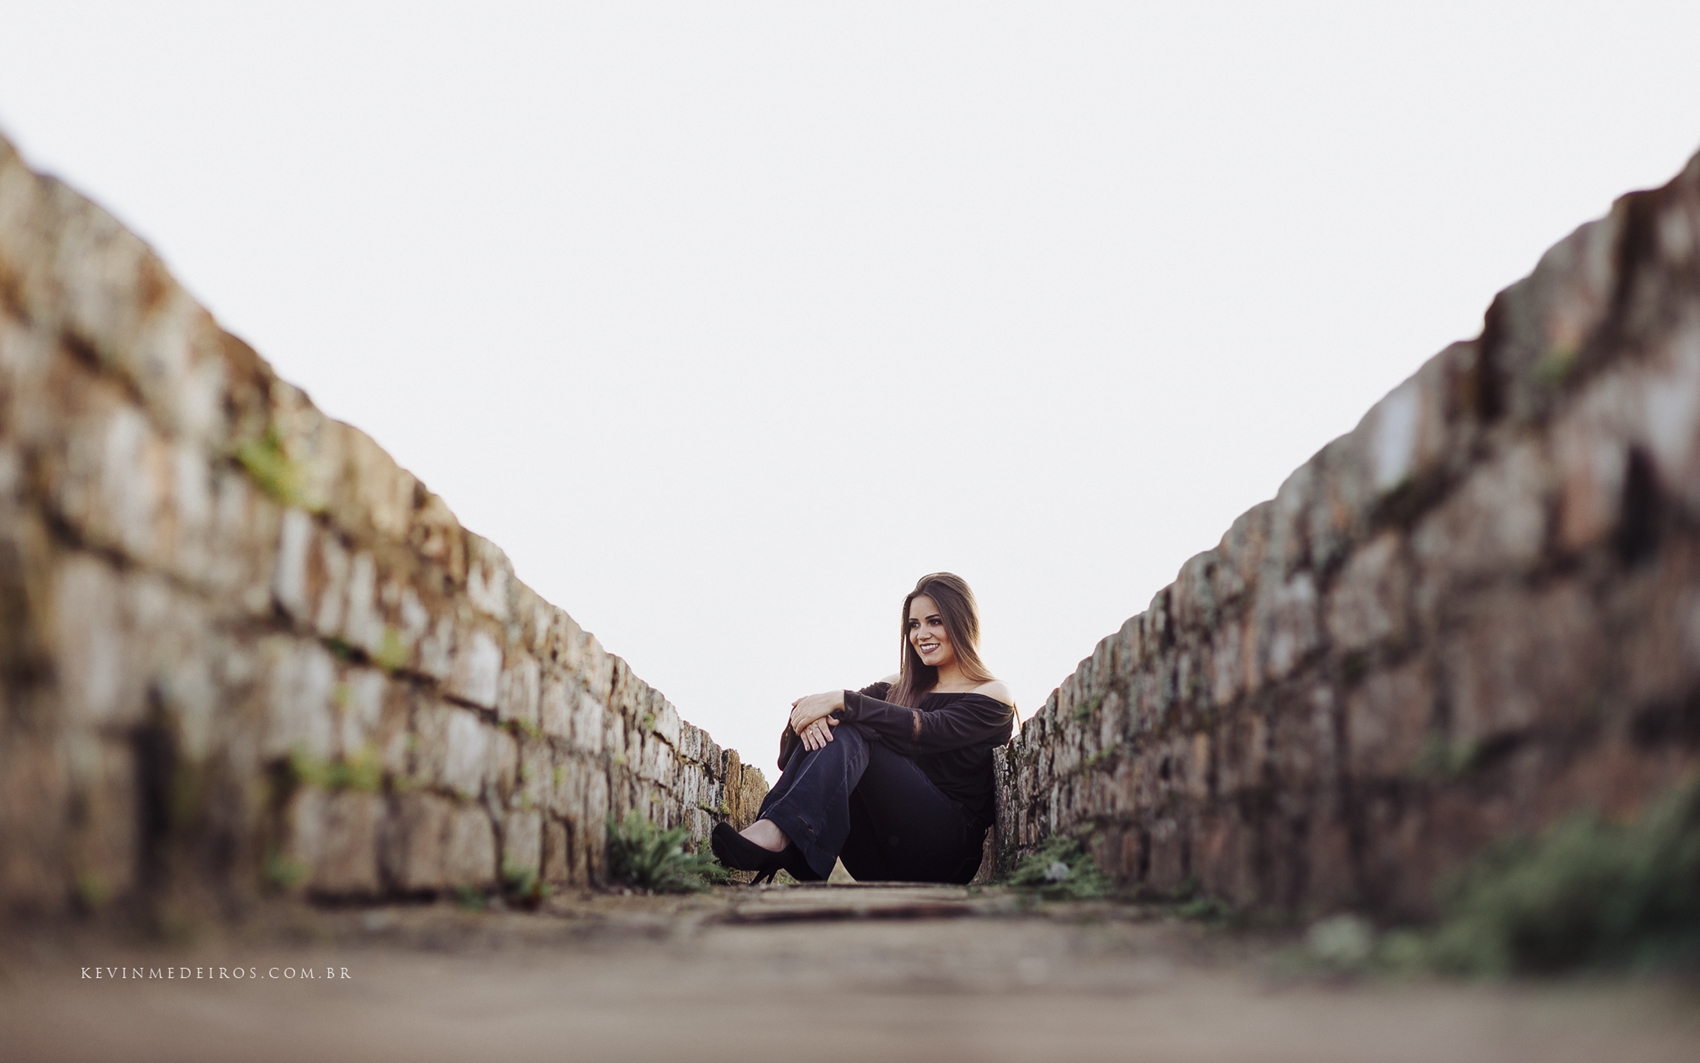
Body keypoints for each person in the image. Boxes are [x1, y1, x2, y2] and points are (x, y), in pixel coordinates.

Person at [710, 572, 1016, 884]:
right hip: (874, 858)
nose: (921, 634)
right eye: (913, 625)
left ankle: (777, 835)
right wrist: (812, 717)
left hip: (943, 855)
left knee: (855, 724)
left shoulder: (992, 693)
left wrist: (841, 701)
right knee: (844, 727)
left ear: (962, 622)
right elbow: (819, 737)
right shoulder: (897, 685)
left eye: (934, 621)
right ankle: (780, 831)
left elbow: (928, 730)